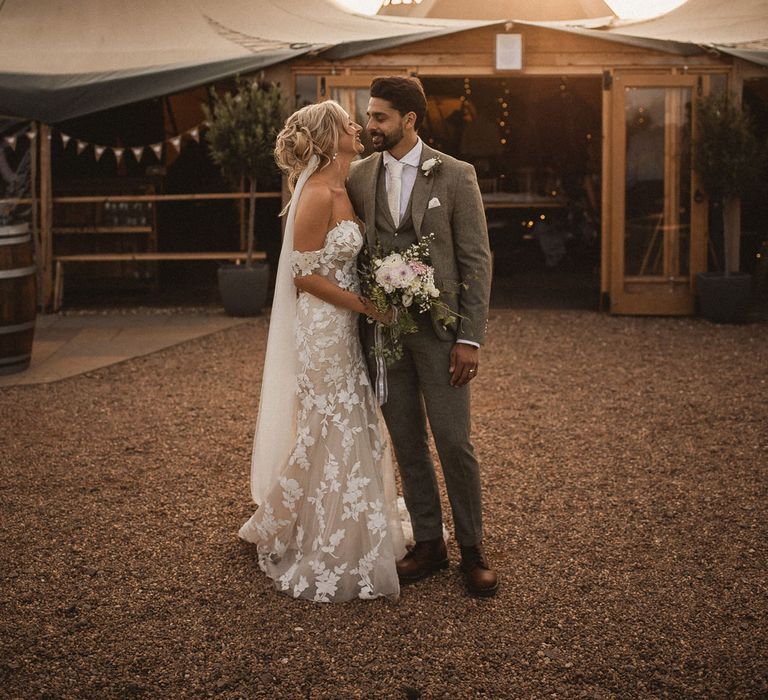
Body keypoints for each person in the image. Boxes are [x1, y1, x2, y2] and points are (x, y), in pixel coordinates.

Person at [238, 101, 406, 603]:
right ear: (331, 137)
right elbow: (303, 275)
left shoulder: (345, 185)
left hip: (345, 323)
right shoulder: (314, 193)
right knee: (332, 421)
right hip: (323, 327)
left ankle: (348, 518)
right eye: (349, 122)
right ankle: (318, 532)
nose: (358, 127)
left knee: (351, 417)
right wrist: (368, 307)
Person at [347, 76, 498, 597]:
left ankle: (473, 550)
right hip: (384, 338)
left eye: (380, 117)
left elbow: (477, 260)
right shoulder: (359, 176)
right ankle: (429, 545)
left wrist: (470, 338)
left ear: (410, 120)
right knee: (407, 442)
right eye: (369, 116)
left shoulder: (457, 174)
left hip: (441, 334)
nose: (370, 126)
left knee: (455, 442)